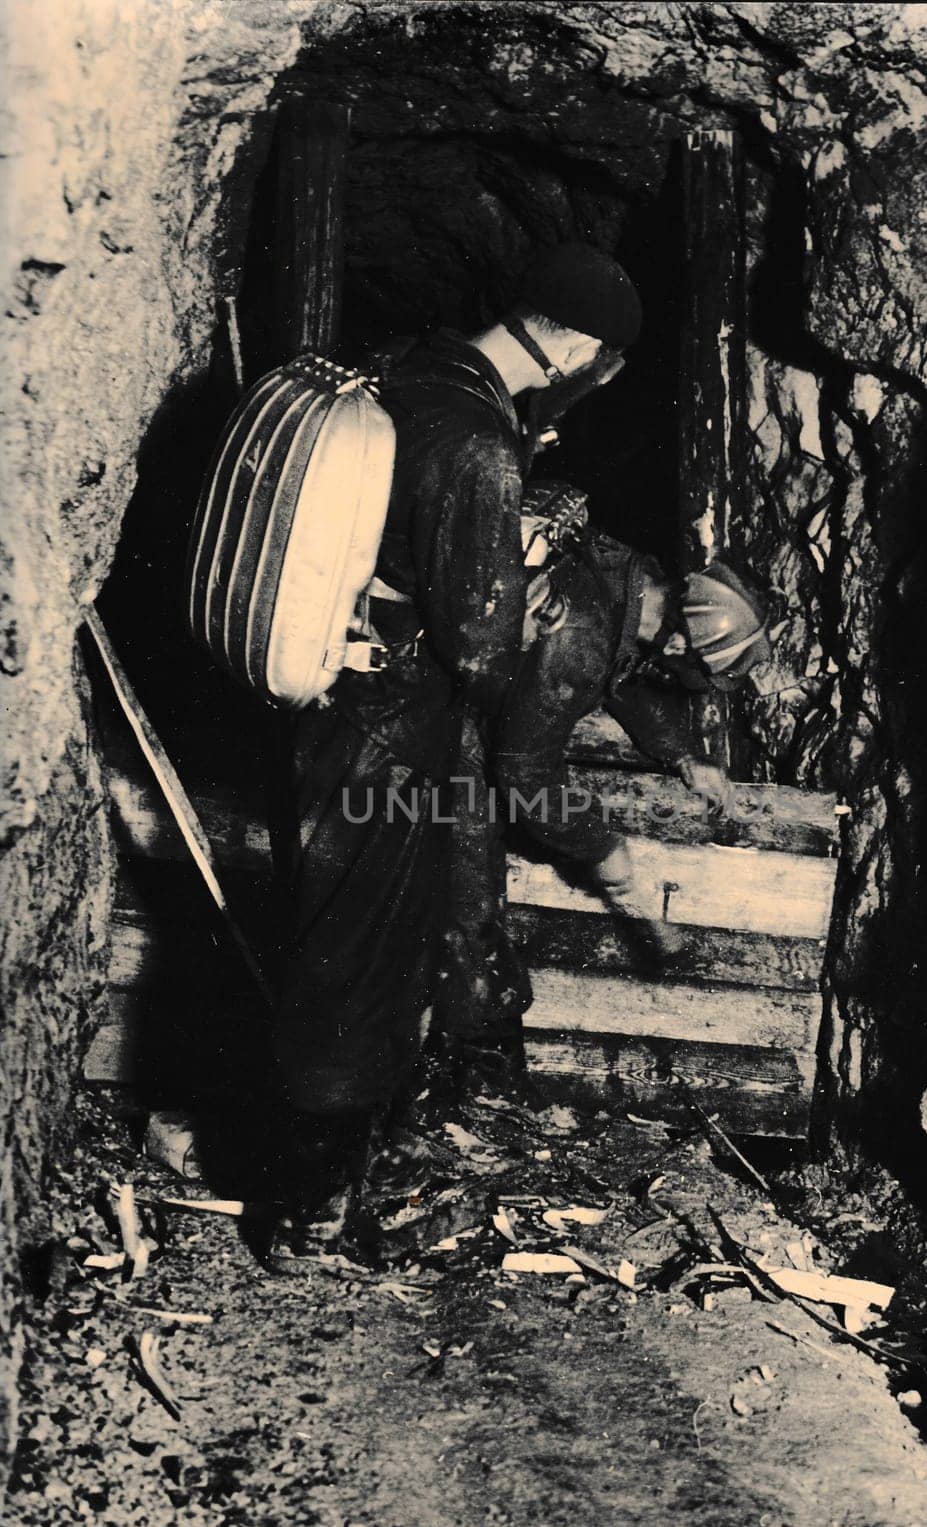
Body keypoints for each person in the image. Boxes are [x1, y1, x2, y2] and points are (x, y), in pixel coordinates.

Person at [268, 244, 643, 1269]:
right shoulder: (477, 443)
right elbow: (481, 643)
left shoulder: (415, 366)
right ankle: (306, 1225)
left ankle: (328, 1192)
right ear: (571, 343)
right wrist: (527, 574)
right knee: (361, 959)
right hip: (389, 729)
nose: (591, 378)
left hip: (345, 703)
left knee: (351, 944)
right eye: (598, 360)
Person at [425, 518, 775, 1096]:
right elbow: (526, 772)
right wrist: (607, 852)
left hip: (472, 696)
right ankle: (460, 1087)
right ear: (683, 642)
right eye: (694, 671)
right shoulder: (581, 635)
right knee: (469, 900)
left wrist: (685, 756)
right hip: (445, 720)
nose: (683, 678)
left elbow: (623, 675)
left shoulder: (629, 579)